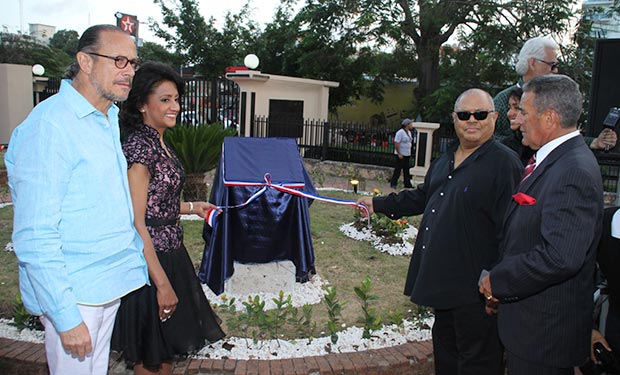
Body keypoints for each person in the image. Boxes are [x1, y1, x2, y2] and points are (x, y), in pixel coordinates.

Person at [4, 25, 149, 374]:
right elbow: (34, 233)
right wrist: (65, 315)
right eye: (118, 60)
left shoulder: (106, 118)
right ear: (84, 61)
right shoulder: (51, 126)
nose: (128, 70)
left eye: (132, 62)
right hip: (74, 293)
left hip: (105, 284)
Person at [358, 89, 522, 375]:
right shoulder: (445, 159)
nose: (472, 120)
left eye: (480, 114)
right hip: (441, 283)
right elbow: (423, 197)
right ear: (454, 119)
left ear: (494, 118)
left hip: (476, 290)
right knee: (446, 357)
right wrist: (378, 203)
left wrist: (498, 280)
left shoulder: (504, 164)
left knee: (477, 363)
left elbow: (511, 229)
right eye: (464, 115)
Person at [479, 74, 604, 374]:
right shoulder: (552, 160)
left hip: (544, 338)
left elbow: (561, 256)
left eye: (523, 111)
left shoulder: (573, 170)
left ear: (549, 118)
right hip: (529, 329)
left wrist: (500, 281)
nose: (516, 118)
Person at [110, 61, 225, 374]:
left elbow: (156, 205)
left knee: (164, 357)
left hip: (171, 255)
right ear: (142, 105)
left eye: (176, 99)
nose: (175, 106)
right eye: (165, 99)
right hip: (150, 264)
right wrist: (161, 284)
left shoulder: (159, 140)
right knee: (151, 357)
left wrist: (193, 207)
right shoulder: (139, 148)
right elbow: (136, 221)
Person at [494, 36, 616, 151]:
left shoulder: (554, 98)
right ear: (532, 63)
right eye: (552, 65)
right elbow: (485, 141)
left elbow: (561, 135)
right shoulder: (502, 100)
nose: (556, 70)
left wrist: (594, 142)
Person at [501, 87, 536, 166]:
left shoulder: (542, 144)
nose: (509, 113)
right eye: (509, 108)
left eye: (517, 108)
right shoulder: (506, 146)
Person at [389, 118, 415, 189]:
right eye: (410, 124)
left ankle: (407, 183)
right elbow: (396, 143)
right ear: (407, 125)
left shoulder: (409, 132)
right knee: (398, 169)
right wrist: (399, 153)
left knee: (406, 170)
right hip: (401, 155)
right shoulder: (400, 132)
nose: (412, 125)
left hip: (407, 154)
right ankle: (393, 183)